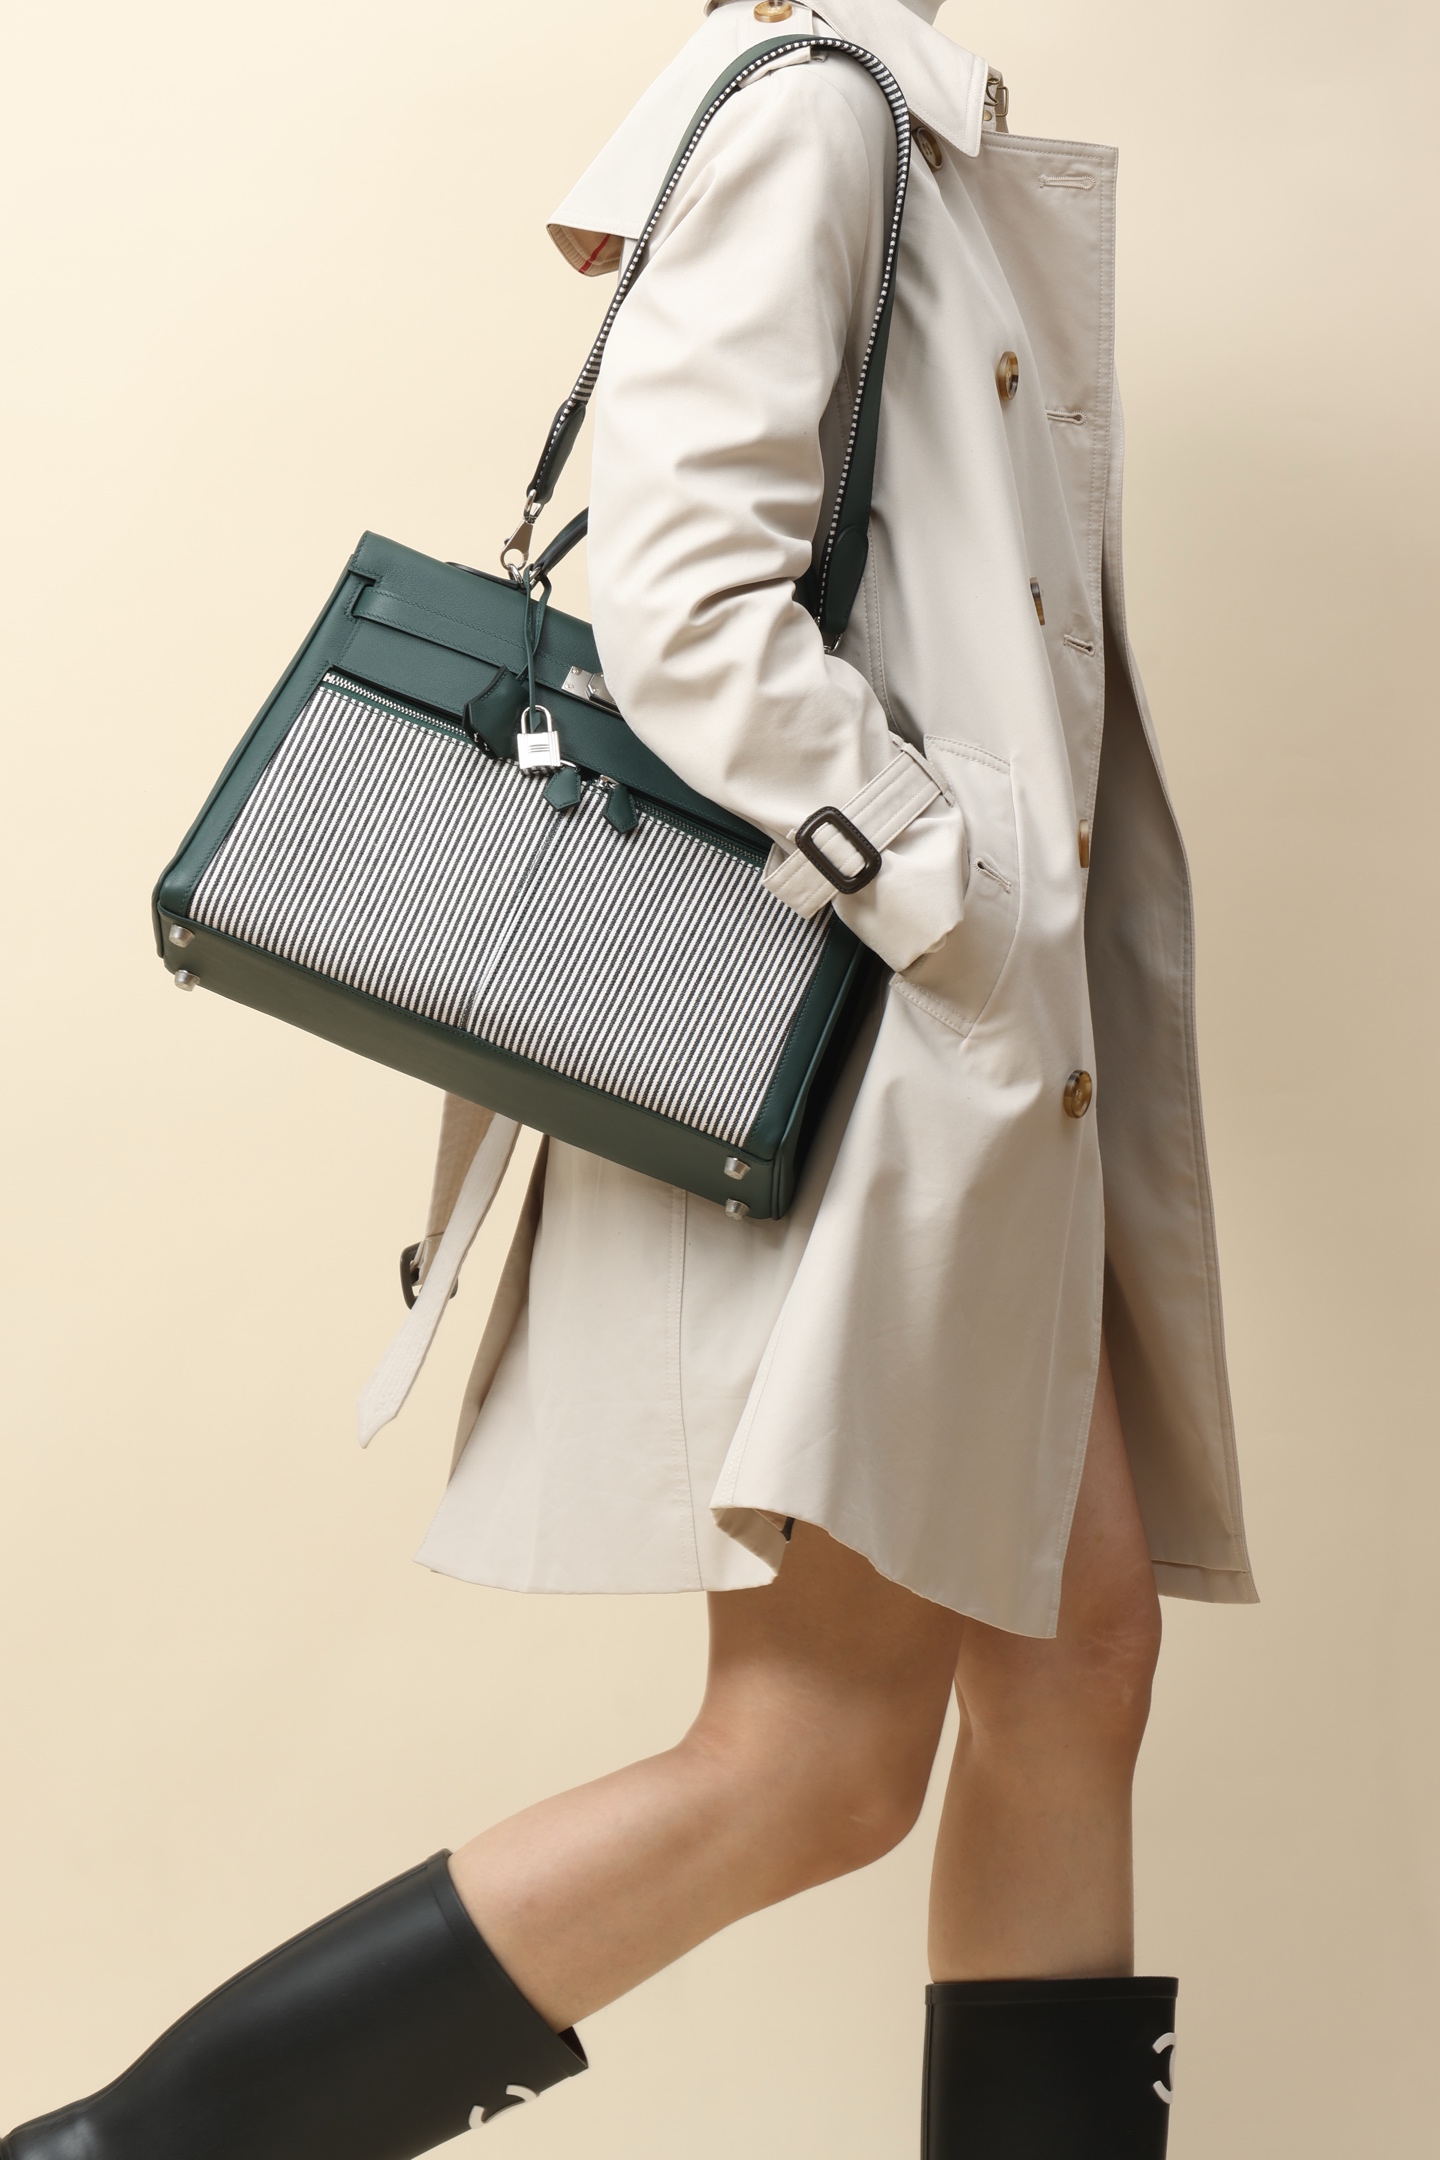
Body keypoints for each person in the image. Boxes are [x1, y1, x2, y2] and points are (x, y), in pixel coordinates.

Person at [2, 3, 1256, 2156]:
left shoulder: (907, 131)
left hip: (973, 1074)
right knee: (813, 1761)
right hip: (881, 1067)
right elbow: (681, 597)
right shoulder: (819, 115)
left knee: (1074, 1670)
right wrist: (947, 896)